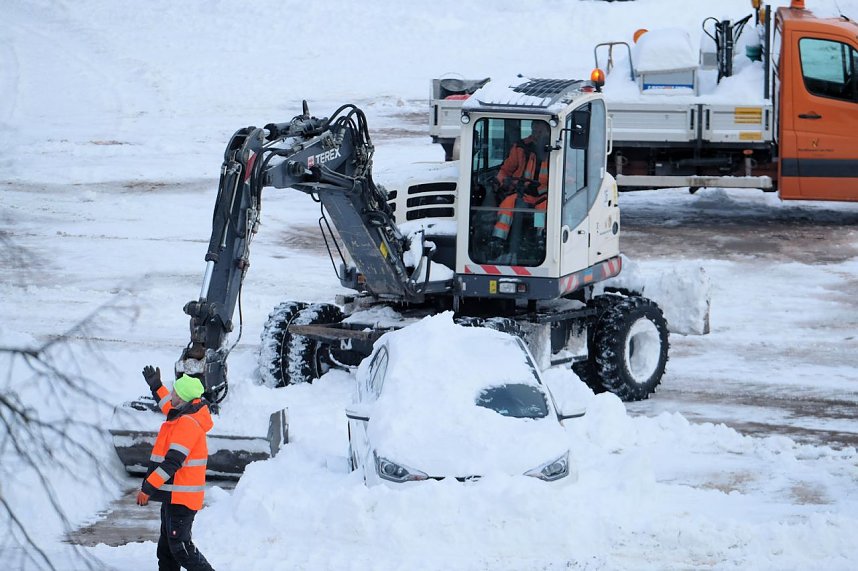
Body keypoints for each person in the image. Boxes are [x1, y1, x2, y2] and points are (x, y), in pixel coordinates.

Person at [137, 366, 216, 571]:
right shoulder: (187, 410)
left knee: (181, 548)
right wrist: (156, 386)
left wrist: (148, 487)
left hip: (181, 497)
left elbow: (172, 462)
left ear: (182, 399)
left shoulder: (187, 424)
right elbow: (168, 405)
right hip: (173, 495)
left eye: (174, 393)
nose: (170, 396)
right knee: (166, 549)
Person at [491, 120, 551, 251]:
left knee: (542, 210)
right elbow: (506, 170)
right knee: (507, 203)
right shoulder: (520, 147)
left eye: (540, 131)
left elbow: (569, 177)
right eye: (534, 130)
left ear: (548, 131)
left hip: (546, 195)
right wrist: (499, 181)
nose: (536, 134)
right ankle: (498, 241)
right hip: (522, 192)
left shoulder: (556, 150)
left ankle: (540, 239)